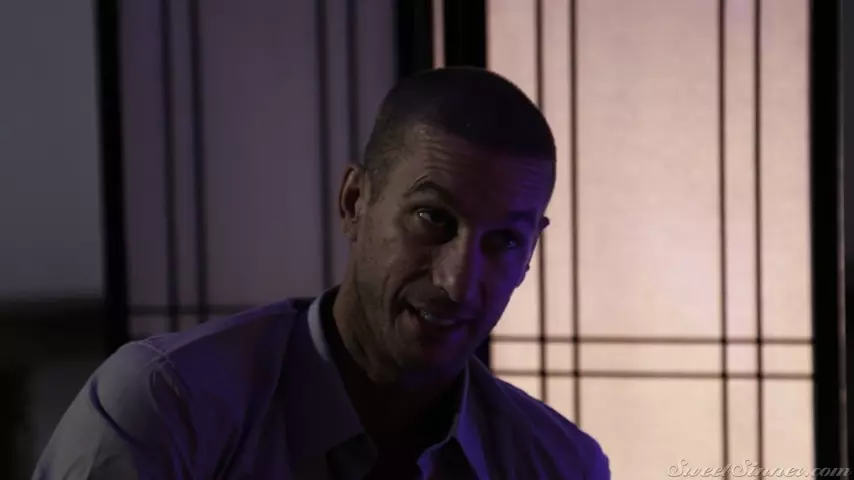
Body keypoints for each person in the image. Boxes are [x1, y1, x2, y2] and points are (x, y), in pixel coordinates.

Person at [33, 67, 609, 479]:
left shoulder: (558, 464)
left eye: (504, 240)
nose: (457, 282)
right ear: (355, 202)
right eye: (432, 218)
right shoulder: (168, 407)